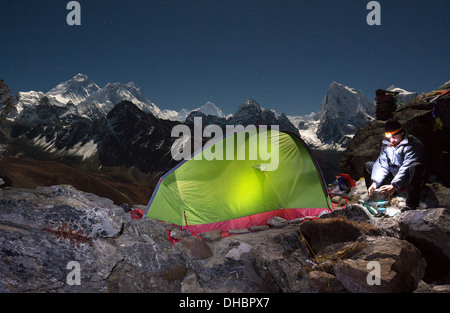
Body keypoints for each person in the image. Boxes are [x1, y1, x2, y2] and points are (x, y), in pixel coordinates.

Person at [364, 119, 426, 211]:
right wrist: (374, 182)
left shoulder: (413, 144)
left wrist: (394, 186)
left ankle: (411, 204)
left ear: (401, 133)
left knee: (415, 167)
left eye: (394, 137)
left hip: (407, 179)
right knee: (369, 165)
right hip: (394, 177)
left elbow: (407, 166)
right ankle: (376, 197)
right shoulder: (387, 143)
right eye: (389, 137)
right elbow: (382, 163)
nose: (391, 140)